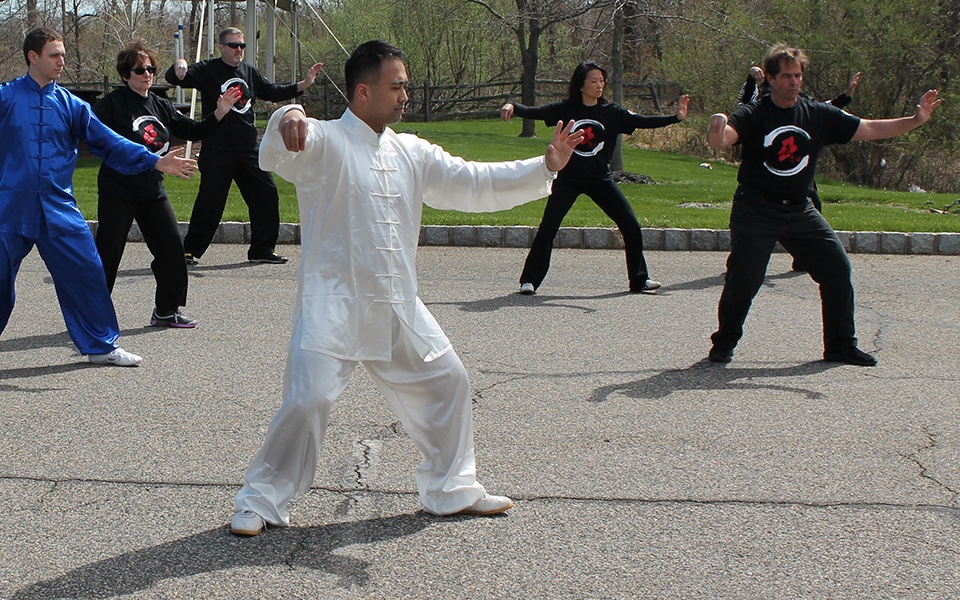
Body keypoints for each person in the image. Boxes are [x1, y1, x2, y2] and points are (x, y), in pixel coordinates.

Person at [228, 40, 584, 536]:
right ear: (362, 91)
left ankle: (451, 489)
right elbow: (277, 151)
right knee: (306, 401)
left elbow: (473, 182)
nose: (404, 96)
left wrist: (543, 167)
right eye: (396, 86)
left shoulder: (411, 150)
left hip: (398, 306)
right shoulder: (325, 142)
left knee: (449, 381)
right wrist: (286, 111)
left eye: (406, 86)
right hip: (333, 305)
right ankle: (260, 501)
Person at [706, 43, 940, 367]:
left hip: (800, 209)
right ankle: (724, 343)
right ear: (770, 79)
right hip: (756, 209)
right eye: (786, 76)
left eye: (798, 75)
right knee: (744, 277)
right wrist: (716, 131)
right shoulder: (755, 113)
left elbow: (869, 127)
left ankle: (841, 346)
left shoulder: (817, 113)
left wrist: (915, 119)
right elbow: (724, 138)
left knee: (837, 269)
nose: (794, 82)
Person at [0, 27, 197, 367]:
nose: (63, 60)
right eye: (54, 55)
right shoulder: (5, 98)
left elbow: (110, 142)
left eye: (63, 54)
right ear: (33, 57)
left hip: (58, 208)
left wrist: (154, 161)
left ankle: (100, 345)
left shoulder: (72, 105)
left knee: (88, 272)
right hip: (8, 208)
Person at [500, 62, 690, 295]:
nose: (599, 85)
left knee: (630, 225)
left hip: (600, 180)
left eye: (602, 80)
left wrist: (676, 117)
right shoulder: (565, 109)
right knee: (548, 228)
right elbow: (536, 111)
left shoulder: (612, 112)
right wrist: (512, 105)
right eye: (594, 81)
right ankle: (529, 281)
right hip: (567, 180)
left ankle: (640, 280)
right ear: (581, 85)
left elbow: (643, 120)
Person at [94, 42, 242, 328]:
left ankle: (166, 310)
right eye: (139, 70)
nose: (147, 74)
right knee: (108, 254)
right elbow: (99, 139)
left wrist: (221, 111)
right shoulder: (111, 104)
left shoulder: (160, 105)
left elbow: (194, 130)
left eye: (150, 69)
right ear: (126, 74)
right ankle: (92, 314)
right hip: (118, 188)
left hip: (151, 189)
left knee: (172, 249)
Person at [165, 27, 323, 265]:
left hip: (248, 149)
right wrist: (179, 63)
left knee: (266, 195)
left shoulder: (249, 72)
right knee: (210, 202)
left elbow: (272, 92)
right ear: (221, 48)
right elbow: (174, 78)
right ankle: (190, 251)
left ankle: (262, 250)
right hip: (218, 149)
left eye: (242, 46)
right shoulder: (208, 70)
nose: (239, 50)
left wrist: (304, 84)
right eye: (233, 46)